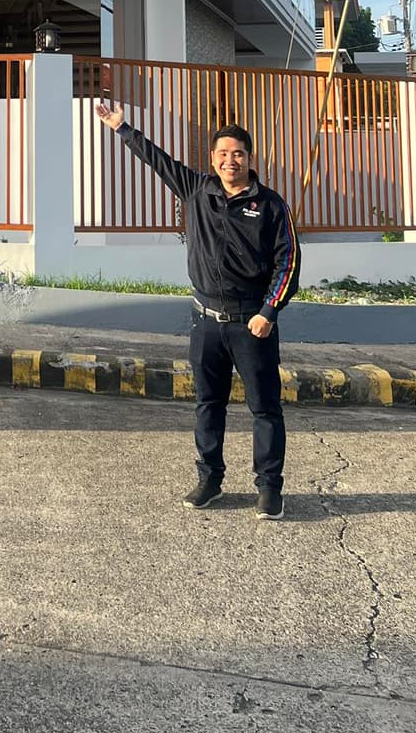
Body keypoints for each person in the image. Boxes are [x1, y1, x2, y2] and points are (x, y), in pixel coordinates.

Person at [94, 103, 300, 520]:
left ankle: (269, 488)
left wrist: (269, 311)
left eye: (238, 153)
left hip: (252, 324)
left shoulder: (271, 205)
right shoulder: (196, 190)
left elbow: (289, 261)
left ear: (249, 158)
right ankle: (210, 480)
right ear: (212, 159)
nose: (230, 160)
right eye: (223, 154)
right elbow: (157, 160)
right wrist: (122, 128)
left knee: (264, 408)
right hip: (205, 321)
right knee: (208, 404)